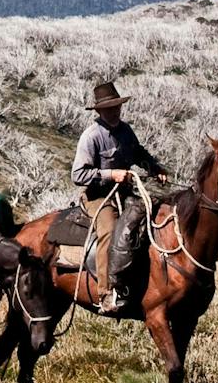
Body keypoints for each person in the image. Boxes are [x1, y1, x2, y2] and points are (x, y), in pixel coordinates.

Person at [70, 79, 167, 314]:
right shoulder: (91, 136)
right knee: (111, 231)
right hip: (98, 198)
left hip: (124, 194)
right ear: (100, 111)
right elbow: (78, 174)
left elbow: (138, 152)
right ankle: (105, 293)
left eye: (117, 107)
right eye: (109, 108)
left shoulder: (125, 130)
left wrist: (154, 168)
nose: (114, 112)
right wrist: (111, 174)